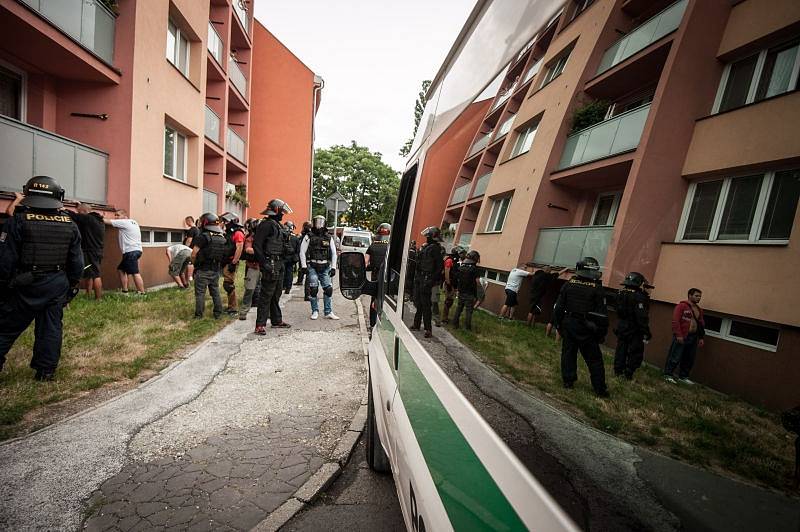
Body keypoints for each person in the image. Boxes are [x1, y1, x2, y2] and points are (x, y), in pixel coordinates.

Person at [0, 176, 83, 380]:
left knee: (6, 327)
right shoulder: (69, 224)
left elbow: (5, 259)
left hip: (24, 283)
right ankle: (46, 371)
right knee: (51, 328)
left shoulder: (17, 221)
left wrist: (4, 286)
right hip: (56, 284)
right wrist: (71, 288)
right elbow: (77, 263)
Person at [553, 257, 610, 397]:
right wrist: (601, 333)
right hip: (588, 328)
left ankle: (568, 381)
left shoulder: (569, 284)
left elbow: (558, 307)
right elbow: (602, 314)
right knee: (594, 360)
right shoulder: (597, 288)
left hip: (569, 323)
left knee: (568, 354)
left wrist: (558, 324)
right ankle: (600, 389)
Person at [253, 199, 293, 334]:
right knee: (266, 295)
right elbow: (257, 245)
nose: (283, 214)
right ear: (275, 211)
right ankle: (260, 324)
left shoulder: (278, 226)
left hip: (279, 263)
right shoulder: (266, 225)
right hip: (270, 263)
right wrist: (263, 263)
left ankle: (276, 320)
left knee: (276, 293)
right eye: (282, 212)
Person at [613, 272, 653, 380]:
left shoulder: (621, 292)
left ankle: (618, 370)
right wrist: (646, 331)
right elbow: (641, 317)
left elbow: (617, 309)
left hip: (622, 325)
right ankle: (628, 373)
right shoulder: (639, 296)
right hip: (635, 328)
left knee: (621, 348)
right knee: (635, 351)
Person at [299, 215, 339, 320]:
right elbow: (302, 252)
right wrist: (303, 266)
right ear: (313, 223)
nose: (319, 225)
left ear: (325, 223)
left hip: (325, 266)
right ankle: (315, 310)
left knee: (328, 289)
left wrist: (334, 267)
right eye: (317, 222)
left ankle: (328, 311)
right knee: (313, 289)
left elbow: (334, 253)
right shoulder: (308, 236)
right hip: (312, 266)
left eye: (321, 222)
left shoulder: (328, 237)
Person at [63, 202, 105, 300]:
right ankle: (88, 294)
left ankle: (99, 299)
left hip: (90, 251)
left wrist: (63, 208)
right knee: (89, 273)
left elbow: (74, 216)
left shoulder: (88, 218)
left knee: (95, 274)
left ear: (85, 212)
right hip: (97, 250)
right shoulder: (98, 220)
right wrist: (78, 205)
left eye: (80, 212)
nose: (78, 213)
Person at [664, 288, 705, 384]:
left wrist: (701, 337)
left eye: (700, 296)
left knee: (689, 358)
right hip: (682, 335)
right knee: (675, 355)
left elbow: (701, 324)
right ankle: (668, 374)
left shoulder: (699, 309)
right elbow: (675, 321)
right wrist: (678, 335)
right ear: (690, 295)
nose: (699, 298)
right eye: (696, 296)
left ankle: (683, 376)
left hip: (693, 337)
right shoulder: (681, 306)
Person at [190, 213, 226, 319]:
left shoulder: (203, 237)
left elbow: (193, 253)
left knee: (200, 293)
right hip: (215, 270)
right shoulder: (221, 237)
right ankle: (218, 314)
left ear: (205, 222)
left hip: (203, 269)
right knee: (215, 292)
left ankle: (198, 315)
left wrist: (193, 263)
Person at [411, 227, 444, 338]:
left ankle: (428, 329)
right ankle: (416, 324)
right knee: (418, 303)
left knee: (425, 305)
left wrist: (431, 281)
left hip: (427, 278)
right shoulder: (426, 247)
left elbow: (439, 267)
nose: (426, 237)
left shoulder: (435, 249)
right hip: (420, 278)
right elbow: (419, 263)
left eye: (428, 236)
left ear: (432, 236)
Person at [105, 209, 145, 295]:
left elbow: (106, 221)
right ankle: (124, 291)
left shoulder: (123, 222)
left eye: (117, 215)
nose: (116, 217)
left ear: (124, 216)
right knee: (121, 269)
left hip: (131, 252)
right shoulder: (133, 222)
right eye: (115, 215)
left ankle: (142, 293)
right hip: (136, 250)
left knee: (135, 272)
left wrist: (98, 216)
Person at [365, 223, 390, 328]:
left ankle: (372, 324)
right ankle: (384, 324)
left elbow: (365, 263)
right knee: (387, 301)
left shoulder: (372, 246)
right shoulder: (390, 247)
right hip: (388, 278)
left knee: (374, 300)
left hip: (375, 277)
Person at [219, 212, 245, 315]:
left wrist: (234, 263)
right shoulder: (229, 232)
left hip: (231, 262)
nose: (224, 223)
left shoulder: (238, 233)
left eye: (226, 221)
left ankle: (233, 308)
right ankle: (231, 306)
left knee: (229, 285)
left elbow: (239, 248)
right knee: (227, 284)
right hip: (226, 261)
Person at [453, 250, 483, 331]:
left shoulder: (461, 267)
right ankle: (467, 328)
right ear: (475, 258)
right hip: (470, 292)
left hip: (461, 290)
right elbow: (477, 282)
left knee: (459, 308)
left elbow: (458, 278)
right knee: (469, 311)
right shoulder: (475, 269)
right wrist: (481, 291)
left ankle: (455, 324)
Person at [238, 218, 261, 320]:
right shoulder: (250, 238)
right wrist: (262, 252)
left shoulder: (266, 238)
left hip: (265, 267)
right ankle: (243, 312)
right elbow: (248, 249)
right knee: (249, 290)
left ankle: (268, 313)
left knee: (266, 292)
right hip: (253, 267)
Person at [440, 246, 462, 325]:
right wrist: (448, 283)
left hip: (453, 283)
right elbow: (446, 271)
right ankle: (444, 319)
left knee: (450, 301)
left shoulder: (454, 260)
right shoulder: (449, 260)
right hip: (449, 283)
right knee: (448, 301)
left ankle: (445, 317)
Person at [282, 221, 300, 295]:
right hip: (291, 259)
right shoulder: (295, 238)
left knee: (283, 272)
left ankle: (283, 286)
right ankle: (288, 287)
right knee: (289, 273)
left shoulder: (283, 236)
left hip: (283, 258)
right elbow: (298, 250)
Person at [294, 221, 312, 287]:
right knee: (302, 268)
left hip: (306, 253)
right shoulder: (306, 234)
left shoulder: (307, 235)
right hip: (305, 253)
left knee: (303, 268)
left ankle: (300, 281)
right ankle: (300, 281)